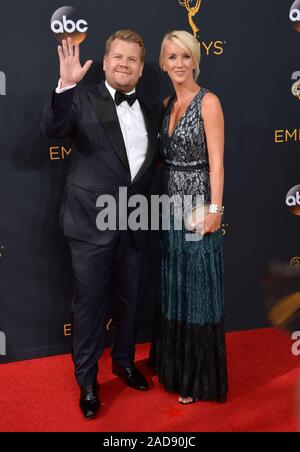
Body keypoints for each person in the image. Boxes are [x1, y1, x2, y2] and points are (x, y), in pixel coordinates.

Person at [41, 30, 159, 418]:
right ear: (106, 62)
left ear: (141, 70)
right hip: (90, 224)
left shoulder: (151, 111)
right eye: (118, 57)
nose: (124, 64)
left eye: (132, 60)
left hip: (135, 224)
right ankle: (88, 381)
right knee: (89, 307)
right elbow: (53, 129)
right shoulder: (82, 99)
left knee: (131, 301)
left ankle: (124, 363)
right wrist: (65, 87)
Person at [150, 30, 228, 404]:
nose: (178, 64)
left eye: (185, 56)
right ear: (163, 63)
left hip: (198, 206)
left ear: (195, 60)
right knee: (175, 286)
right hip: (169, 208)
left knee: (197, 291)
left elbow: (217, 163)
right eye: (171, 57)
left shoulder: (208, 102)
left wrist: (216, 210)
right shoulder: (167, 104)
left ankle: (197, 379)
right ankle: (173, 367)